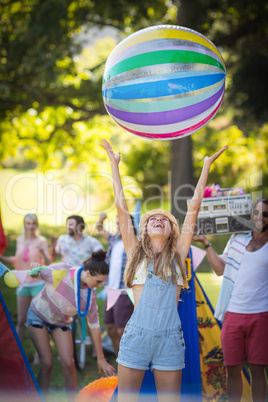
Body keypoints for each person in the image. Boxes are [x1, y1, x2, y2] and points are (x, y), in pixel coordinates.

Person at [100, 138, 227, 401]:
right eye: (153, 219)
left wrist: (205, 166)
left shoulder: (179, 256)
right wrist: (114, 165)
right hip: (136, 337)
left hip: (170, 341)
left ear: (172, 232)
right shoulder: (135, 253)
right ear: (145, 230)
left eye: (165, 220)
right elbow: (122, 211)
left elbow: (193, 208)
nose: (159, 220)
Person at [193, 196, 268, 402]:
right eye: (256, 213)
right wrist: (206, 243)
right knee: (231, 367)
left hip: (261, 315)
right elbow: (219, 269)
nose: (260, 217)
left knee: (257, 369)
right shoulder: (238, 238)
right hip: (232, 313)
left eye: (265, 214)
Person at [26, 250, 115, 401]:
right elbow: (36, 273)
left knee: (69, 363)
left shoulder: (90, 295)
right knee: (47, 362)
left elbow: (94, 326)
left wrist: (101, 358)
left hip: (60, 323)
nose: (100, 286)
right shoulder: (62, 271)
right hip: (38, 316)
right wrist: (35, 269)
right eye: (98, 281)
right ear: (87, 274)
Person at [0, 213, 51, 342]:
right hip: (23, 283)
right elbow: (16, 260)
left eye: (33, 223)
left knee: (39, 320)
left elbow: (48, 262)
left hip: (38, 284)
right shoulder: (19, 240)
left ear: (37, 225)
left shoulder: (41, 241)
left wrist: (43, 252)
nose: (31, 226)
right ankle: (18, 353)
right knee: (22, 320)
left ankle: (39, 357)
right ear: (25, 224)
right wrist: (1, 258)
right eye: (28, 223)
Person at [96, 212, 134, 356]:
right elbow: (99, 228)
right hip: (111, 290)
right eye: (117, 223)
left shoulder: (134, 242)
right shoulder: (113, 239)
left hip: (124, 291)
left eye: (122, 223)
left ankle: (127, 360)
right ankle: (119, 358)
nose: (119, 226)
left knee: (121, 329)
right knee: (110, 328)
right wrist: (101, 219)